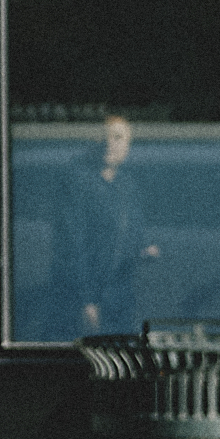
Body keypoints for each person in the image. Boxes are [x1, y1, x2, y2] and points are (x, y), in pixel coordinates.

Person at [57, 113, 159, 338]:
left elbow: (131, 231)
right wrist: (86, 301)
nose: (110, 143)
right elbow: (72, 245)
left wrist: (143, 248)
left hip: (121, 295)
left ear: (128, 145)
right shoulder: (79, 183)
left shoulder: (127, 186)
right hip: (89, 296)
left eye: (119, 138)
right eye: (105, 137)